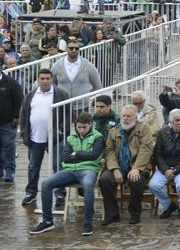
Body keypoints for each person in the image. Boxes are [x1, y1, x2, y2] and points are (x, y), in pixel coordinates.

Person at [28, 112, 104, 236]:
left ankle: (88, 223)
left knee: (88, 186)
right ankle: (47, 221)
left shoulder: (98, 137)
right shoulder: (70, 137)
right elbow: (65, 158)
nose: (81, 130)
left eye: (84, 127)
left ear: (90, 125)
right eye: (79, 127)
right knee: (46, 183)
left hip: (88, 169)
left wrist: (76, 154)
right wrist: (83, 155)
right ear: (76, 125)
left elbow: (94, 155)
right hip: (69, 170)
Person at [19, 68, 70, 208]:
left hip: (55, 138)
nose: (45, 81)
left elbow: (67, 114)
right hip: (35, 137)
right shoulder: (30, 95)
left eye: (48, 78)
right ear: (38, 79)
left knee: (58, 166)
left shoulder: (61, 94)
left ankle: (60, 195)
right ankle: (31, 193)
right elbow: (23, 114)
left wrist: (61, 131)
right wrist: (24, 132)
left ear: (52, 79)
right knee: (33, 166)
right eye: (42, 78)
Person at [99, 105, 153, 225]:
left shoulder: (144, 129)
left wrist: (136, 168)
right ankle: (112, 214)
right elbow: (109, 151)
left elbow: (146, 150)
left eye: (129, 116)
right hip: (118, 165)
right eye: (123, 116)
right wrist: (114, 168)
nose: (125, 118)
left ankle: (135, 213)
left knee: (136, 180)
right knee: (105, 179)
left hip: (137, 165)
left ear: (135, 117)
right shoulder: (114, 131)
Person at [148, 109, 180, 220]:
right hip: (165, 167)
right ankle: (169, 205)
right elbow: (158, 154)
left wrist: (175, 170)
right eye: (177, 120)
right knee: (153, 185)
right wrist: (166, 169)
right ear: (171, 122)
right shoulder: (162, 133)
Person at [0, 69, 23, 182]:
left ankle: (9, 171)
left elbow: (19, 99)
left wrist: (16, 117)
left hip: (7, 122)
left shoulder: (11, 82)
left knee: (9, 147)